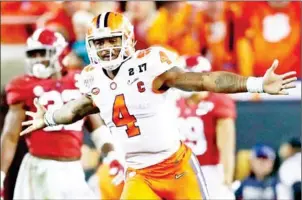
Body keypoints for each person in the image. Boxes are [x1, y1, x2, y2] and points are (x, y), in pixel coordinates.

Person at [21, 12, 297, 199]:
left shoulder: (148, 65)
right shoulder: (92, 78)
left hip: (177, 167)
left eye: (112, 40)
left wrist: (257, 84)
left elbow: (204, 80)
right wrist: (50, 119)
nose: (105, 48)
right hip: (139, 174)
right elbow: (79, 108)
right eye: (100, 42)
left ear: (127, 39)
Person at [0, 28, 103, 199]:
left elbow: (97, 127)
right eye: (33, 54)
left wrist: (112, 155)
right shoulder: (24, 86)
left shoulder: (80, 81)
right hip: (39, 168)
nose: (38, 59)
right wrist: (1, 175)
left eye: (42, 53)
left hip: (73, 167)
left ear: (61, 53)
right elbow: (10, 136)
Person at [176, 56, 236, 199]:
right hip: (180, 172)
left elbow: (226, 146)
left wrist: (226, 179)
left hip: (210, 172)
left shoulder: (218, 102)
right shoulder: (175, 101)